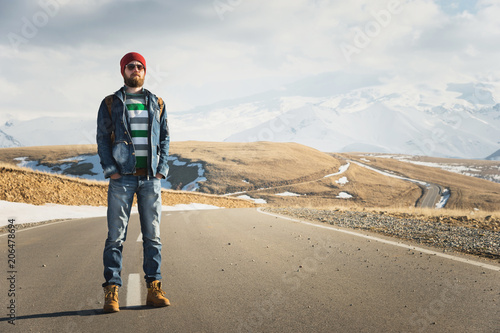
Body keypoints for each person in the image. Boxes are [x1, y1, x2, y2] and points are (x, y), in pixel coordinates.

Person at [96, 52, 170, 313]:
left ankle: (154, 289)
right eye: (130, 66)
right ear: (123, 71)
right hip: (122, 179)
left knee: (153, 237)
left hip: (150, 179)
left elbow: (165, 139)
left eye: (139, 66)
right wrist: (111, 170)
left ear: (145, 71)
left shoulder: (157, 102)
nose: (135, 69)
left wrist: (161, 169)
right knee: (115, 237)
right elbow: (103, 139)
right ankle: (111, 292)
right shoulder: (110, 103)